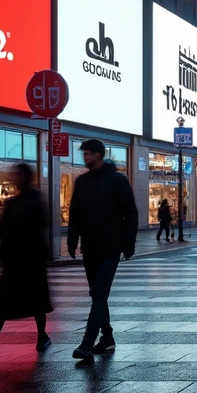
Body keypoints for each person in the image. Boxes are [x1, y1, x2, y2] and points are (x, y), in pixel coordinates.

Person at [0, 163, 53, 360]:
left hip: (30, 260)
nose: (14, 179)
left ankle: (41, 335)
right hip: (15, 259)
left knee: (35, 301)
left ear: (26, 177)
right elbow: (4, 231)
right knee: (4, 303)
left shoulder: (34, 200)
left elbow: (38, 229)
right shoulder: (13, 202)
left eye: (17, 175)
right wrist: (1, 252)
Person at [67, 139, 138, 362]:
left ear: (99, 155)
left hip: (111, 246)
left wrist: (129, 243)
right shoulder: (82, 182)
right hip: (89, 246)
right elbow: (75, 213)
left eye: (88, 154)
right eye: (84, 154)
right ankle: (107, 337)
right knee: (98, 295)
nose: (84, 157)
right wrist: (72, 240)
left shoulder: (118, 180)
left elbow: (131, 214)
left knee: (98, 293)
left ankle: (87, 343)